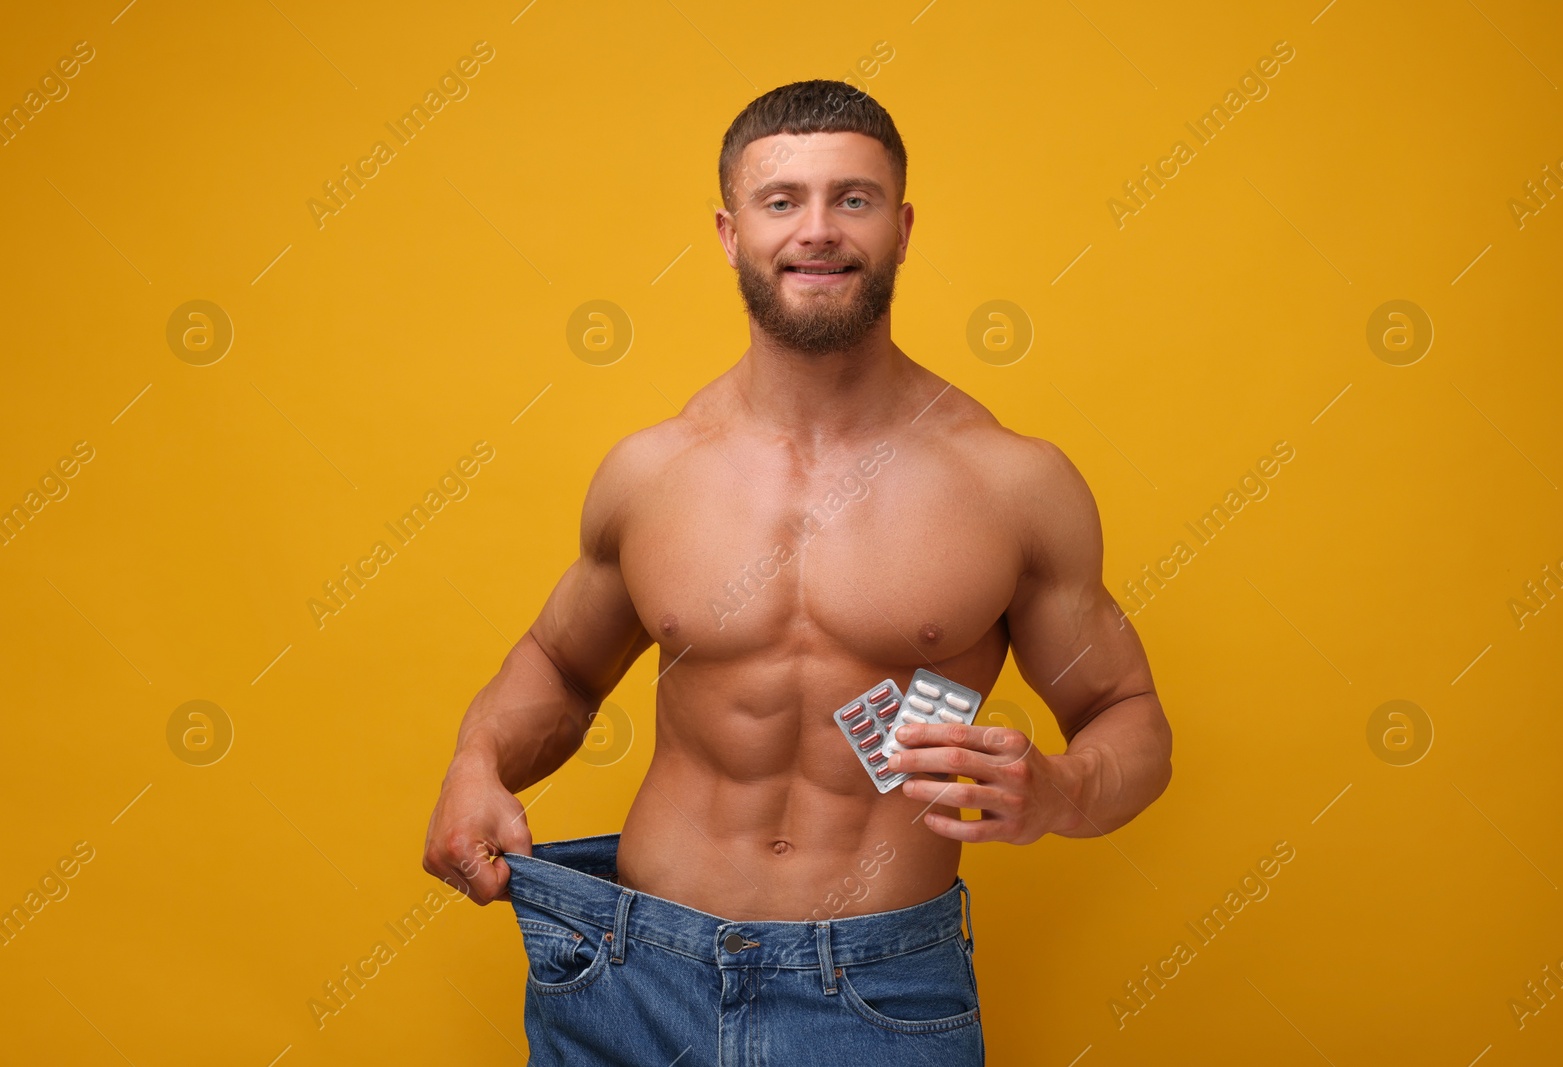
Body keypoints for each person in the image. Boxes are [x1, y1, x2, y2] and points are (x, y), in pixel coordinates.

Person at [422, 78, 1172, 1066]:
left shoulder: (1010, 483)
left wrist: (1064, 791)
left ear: (901, 228)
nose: (817, 229)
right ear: (732, 232)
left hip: (876, 989)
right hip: (628, 974)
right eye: (783, 201)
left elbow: (1127, 711)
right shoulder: (652, 472)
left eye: (851, 198)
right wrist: (478, 763)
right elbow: (559, 667)